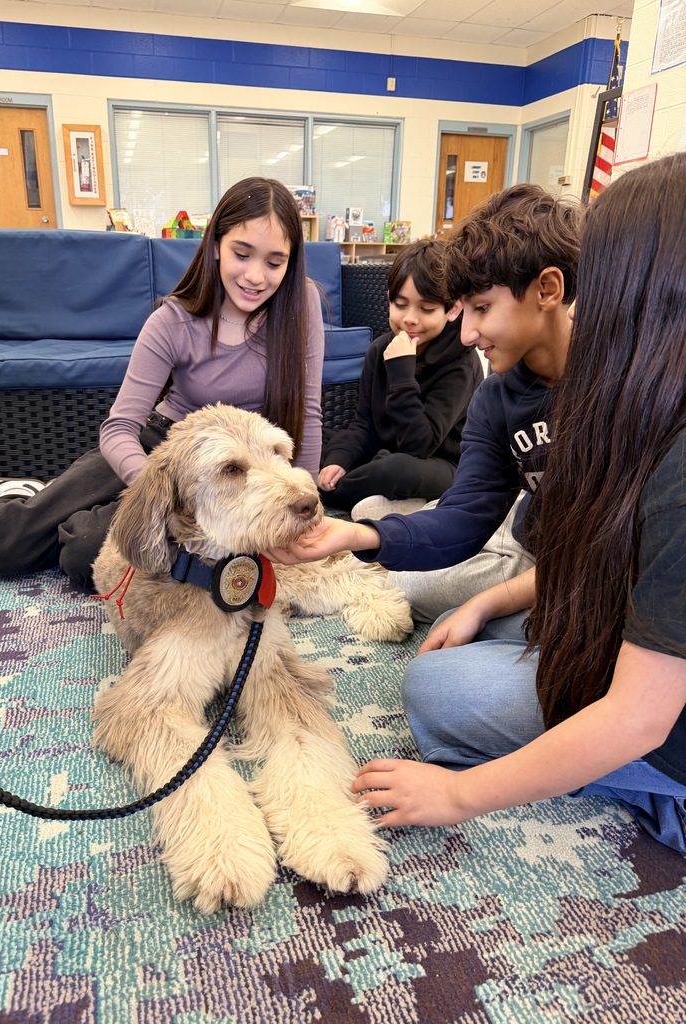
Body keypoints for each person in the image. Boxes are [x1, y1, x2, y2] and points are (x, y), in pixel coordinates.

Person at [352, 152, 686, 852]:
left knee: (439, 692)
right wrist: (479, 600)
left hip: (658, 713)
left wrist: (457, 794)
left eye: (477, 310)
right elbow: (602, 558)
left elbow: (642, 713)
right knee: (478, 637)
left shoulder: (644, 420)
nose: (466, 332)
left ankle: (657, 796)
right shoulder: (614, 396)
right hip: (602, 614)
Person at [0, 177, 325, 590]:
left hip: (236, 474)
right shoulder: (173, 320)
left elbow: (310, 412)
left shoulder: (304, 305)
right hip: (160, 452)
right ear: (214, 245)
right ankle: (24, 497)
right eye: (241, 254)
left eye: (274, 262)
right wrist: (158, 497)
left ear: (291, 261)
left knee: (85, 556)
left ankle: (75, 514)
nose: (255, 276)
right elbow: (119, 428)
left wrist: (306, 502)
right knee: (3, 548)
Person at [268, 184, 582, 612]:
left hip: (589, 571)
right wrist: (359, 535)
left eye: (483, 309)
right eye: (465, 310)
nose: (468, 333)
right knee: (423, 618)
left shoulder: (623, 384)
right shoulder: (496, 397)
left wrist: (487, 605)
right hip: (533, 539)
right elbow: (466, 514)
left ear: (548, 289)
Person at [318, 239, 482, 518]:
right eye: (400, 304)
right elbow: (363, 423)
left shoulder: (461, 364)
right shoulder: (380, 349)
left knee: (393, 470)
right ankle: (381, 499)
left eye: (426, 309)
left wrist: (402, 372)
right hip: (388, 451)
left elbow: (419, 445)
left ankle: (328, 493)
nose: (410, 319)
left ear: (453, 310)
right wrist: (339, 460)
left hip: (442, 465)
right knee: (317, 439)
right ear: (389, 300)